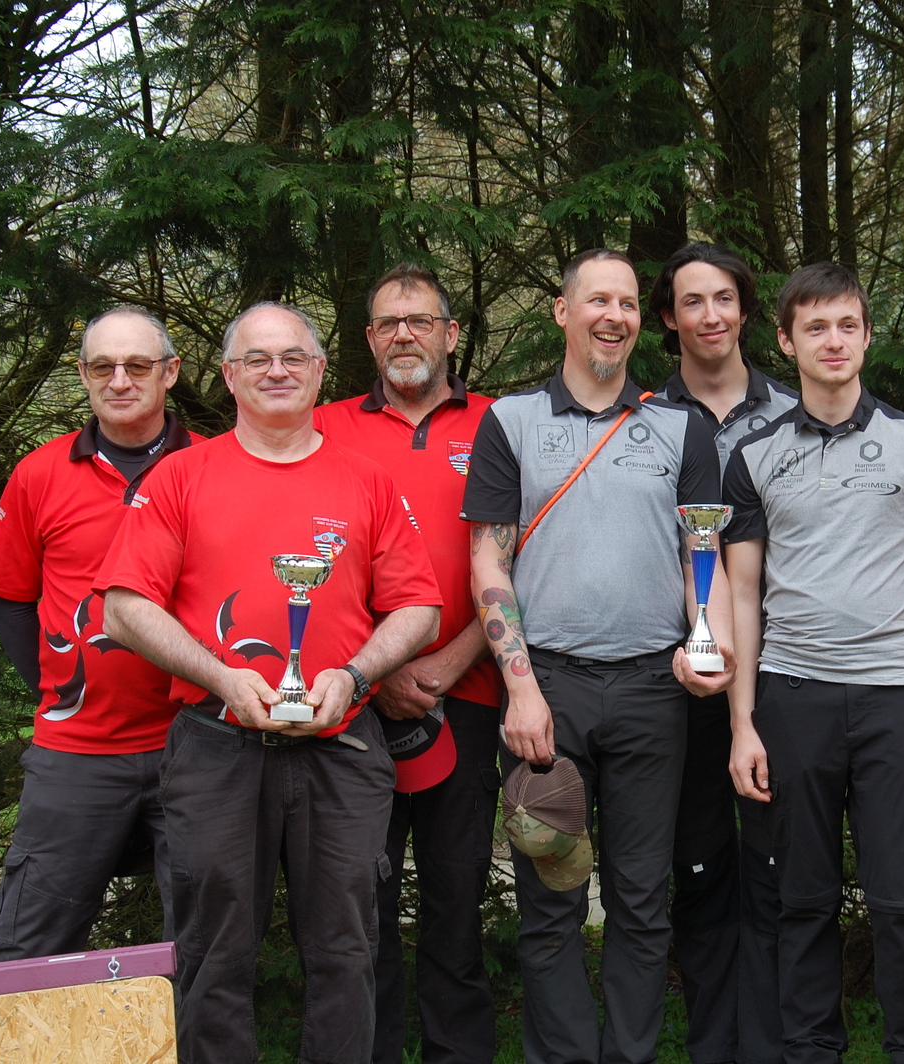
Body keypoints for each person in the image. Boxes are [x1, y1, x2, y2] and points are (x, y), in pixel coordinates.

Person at [95, 301, 443, 1064]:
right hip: (215, 746)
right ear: (228, 376)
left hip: (342, 746)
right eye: (257, 358)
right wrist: (221, 676)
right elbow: (123, 609)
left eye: (292, 357)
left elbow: (419, 606)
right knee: (210, 953)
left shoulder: (367, 481)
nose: (276, 371)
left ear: (319, 372)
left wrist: (355, 675)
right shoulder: (180, 477)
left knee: (348, 951)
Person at [460, 249, 732, 1064]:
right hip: (549, 691)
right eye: (597, 300)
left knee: (643, 901)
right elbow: (488, 560)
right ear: (563, 312)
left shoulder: (679, 426)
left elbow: (703, 552)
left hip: (654, 691)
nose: (614, 315)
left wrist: (709, 640)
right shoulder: (511, 422)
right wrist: (521, 690)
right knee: (551, 897)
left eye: (628, 303)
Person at [723, 262, 904, 1064]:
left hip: (895, 696)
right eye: (816, 327)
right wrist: (743, 723)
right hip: (793, 697)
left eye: (848, 326)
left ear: (867, 337)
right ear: (786, 341)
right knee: (802, 901)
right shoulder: (753, 455)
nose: (834, 341)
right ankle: (810, 1053)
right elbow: (743, 592)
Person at [315, 263, 503, 1064]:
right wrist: (378, 669)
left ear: (450, 334)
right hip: (354, 706)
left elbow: (524, 559)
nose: (404, 334)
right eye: (389, 322)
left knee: (456, 902)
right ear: (368, 338)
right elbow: (308, 564)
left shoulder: (500, 423)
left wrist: (453, 661)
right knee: (364, 905)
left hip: (471, 694)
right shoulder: (322, 427)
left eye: (420, 320)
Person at [0, 306, 197, 961]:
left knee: (204, 949)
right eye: (103, 367)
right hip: (77, 750)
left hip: (198, 745)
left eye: (137, 366)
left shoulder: (214, 466)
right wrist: (62, 689)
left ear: (170, 373)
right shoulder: (38, 474)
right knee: (29, 946)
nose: (119, 380)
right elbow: (10, 604)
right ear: (83, 374)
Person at [649, 241, 797, 1064]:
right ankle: (713, 1044)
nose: (710, 316)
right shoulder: (644, 419)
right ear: (669, 319)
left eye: (724, 299)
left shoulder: (796, 414)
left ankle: (773, 1043)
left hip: (784, 672)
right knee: (699, 867)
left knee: (778, 868)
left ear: (745, 311)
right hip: (688, 681)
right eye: (692, 302)